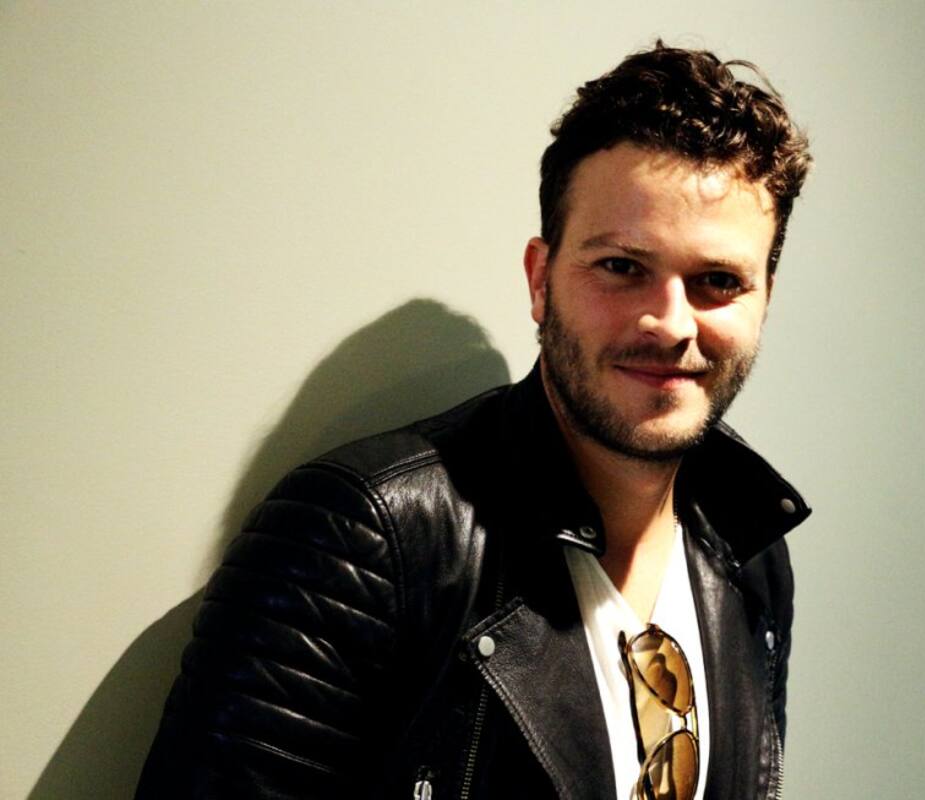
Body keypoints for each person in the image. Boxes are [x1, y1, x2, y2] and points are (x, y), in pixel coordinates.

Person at [137, 40, 812, 800]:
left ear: (764, 302)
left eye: (718, 281)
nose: (671, 323)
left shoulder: (749, 554)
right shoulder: (368, 542)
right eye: (622, 267)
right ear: (540, 280)